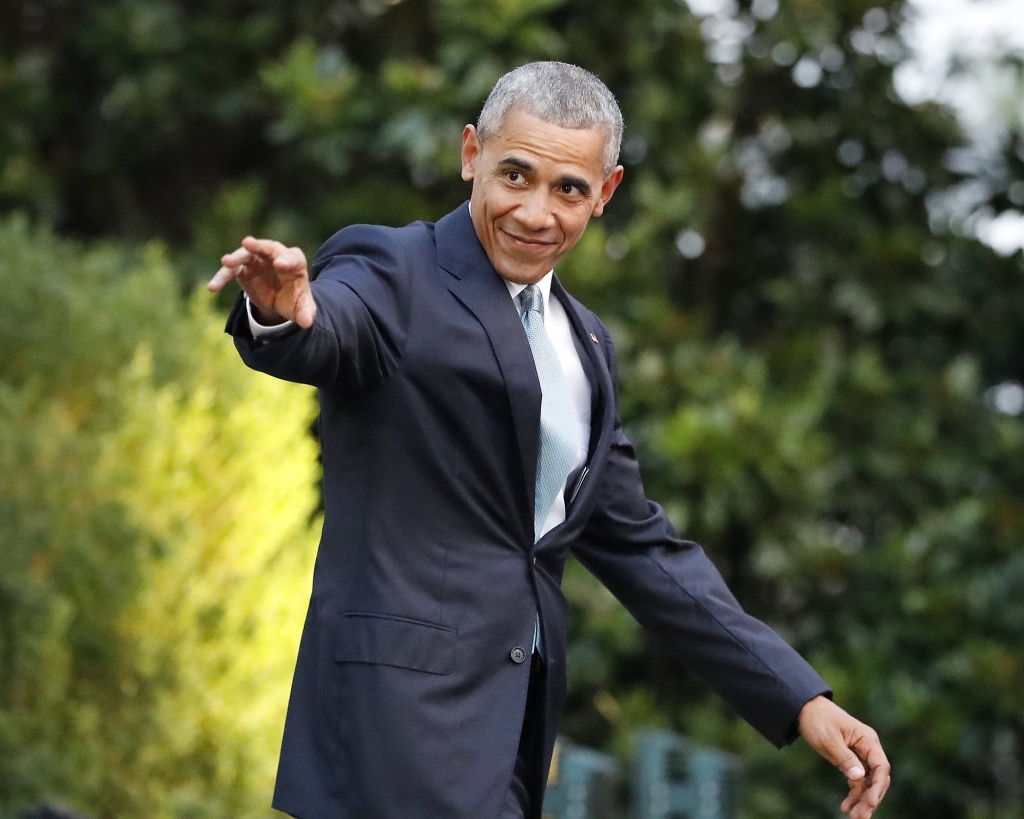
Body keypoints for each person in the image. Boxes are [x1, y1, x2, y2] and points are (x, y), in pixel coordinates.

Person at [208, 61, 890, 819]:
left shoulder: (586, 343)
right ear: (472, 154)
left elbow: (644, 549)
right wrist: (282, 310)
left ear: (606, 192)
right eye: (514, 175)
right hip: (390, 733)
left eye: (567, 188)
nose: (536, 213)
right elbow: (334, 326)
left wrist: (801, 698)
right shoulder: (395, 269)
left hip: (513, 742)